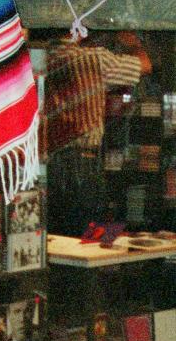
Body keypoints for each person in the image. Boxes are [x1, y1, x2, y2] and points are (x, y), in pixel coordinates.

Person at [38, 30, 152, 237]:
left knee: (55, 236)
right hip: (83, 163)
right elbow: (144, 65)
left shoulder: (38, 59)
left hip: (45, 164)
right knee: (89, 235)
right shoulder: (94, 58)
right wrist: (132, 43)